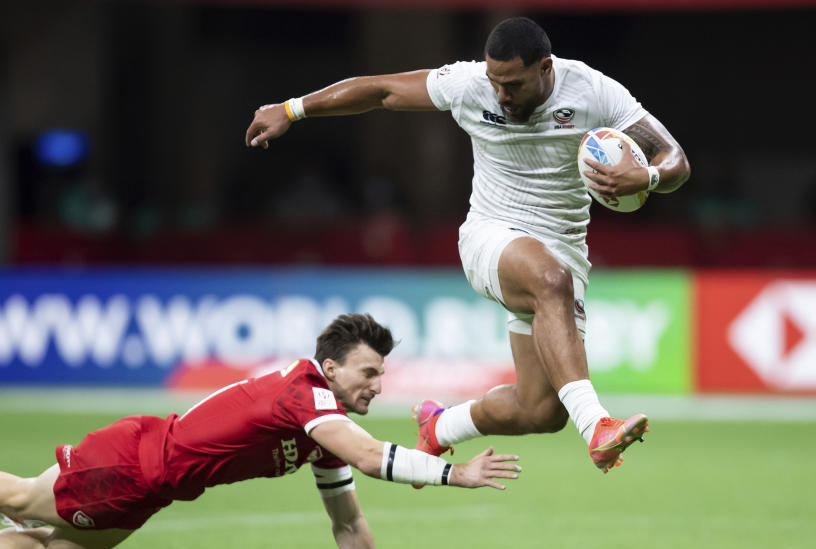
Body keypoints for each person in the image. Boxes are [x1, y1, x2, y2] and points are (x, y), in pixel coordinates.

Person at [244, 16, 691, 474]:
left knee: (541, 411)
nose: (500, 94)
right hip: (491, 236)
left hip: (563, 251)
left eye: (513, 84)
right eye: (495, 81)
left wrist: (649, 176)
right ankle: (597, 425)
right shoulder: (468, 84)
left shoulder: (593, 92)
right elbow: (380, 90)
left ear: (545, 68)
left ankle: (441, 426)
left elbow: (675, 159)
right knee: (548, 278)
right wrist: (293, 108)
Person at [0, 313, 522, 549]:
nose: (379, 384)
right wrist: (455, 473)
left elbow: (347, 521)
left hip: (156, 487)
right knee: (20, 501)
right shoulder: (307, 397)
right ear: (331, 369)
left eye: (382, 374)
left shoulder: (320, 429)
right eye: (370, 372)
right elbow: (370, 455)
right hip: (131, 465)